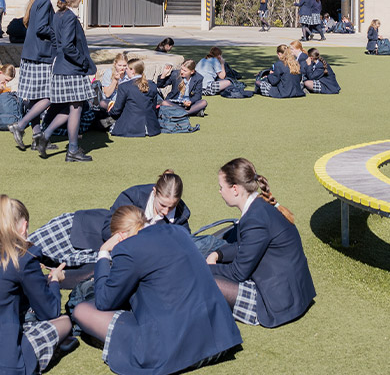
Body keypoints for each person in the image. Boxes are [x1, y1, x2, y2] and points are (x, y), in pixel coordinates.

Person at [72, 219, 242, 375]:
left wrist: (103, 253)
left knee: (82, 310)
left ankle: (115, 342)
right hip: (221, 339)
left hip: (174, 351)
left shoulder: (128, 248)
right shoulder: (177, 231)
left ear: (120, 236)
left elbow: (104, 302)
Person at [207, 157, 316, 328]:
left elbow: (238, 273)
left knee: (203, 277)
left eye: (221, 187)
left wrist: (207, 267)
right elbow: (245, 246)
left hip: (276, 302)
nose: (220, 191)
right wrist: (217, 254)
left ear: (235, 189)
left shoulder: (255, 218)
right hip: (292, 292)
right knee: (209, 270)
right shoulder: (261, 204)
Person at [29, 171, 191, 269]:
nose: (166, 211)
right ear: (154, 192)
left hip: (98, 257)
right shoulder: (133, 195)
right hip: (79, 229)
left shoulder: (181, 217)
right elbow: (108, 229)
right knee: (21, 250)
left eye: (172, 206)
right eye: (163, 205)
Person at [0, 194, 73, 375]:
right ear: (24, 226)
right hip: (7, 361)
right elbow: (50, 311)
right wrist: (54, 280)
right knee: (64, 321)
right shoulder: (23, 257)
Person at [36, 0, 96, 162]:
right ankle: (73, 150)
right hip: (72, 69)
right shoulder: (69, 16)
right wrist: (84, 61)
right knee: (75, 109)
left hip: (61, 67)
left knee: (69, 108)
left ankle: (46, 136)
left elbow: (56, 42)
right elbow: (68, 46)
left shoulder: (58, 15)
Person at [9, 0, 59, 152]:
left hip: (32, 54)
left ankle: (37, 136)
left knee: (35, 98)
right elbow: (41, 28)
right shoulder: (44, 1)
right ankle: (20, 125)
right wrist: (58, 32)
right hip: (40, 56)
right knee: (49, 96)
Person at [108, 58, 160, 137]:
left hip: (130, 128)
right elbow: (153, 107)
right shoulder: (152, 85)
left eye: (127, 69)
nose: (126, 71)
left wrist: (110, 110)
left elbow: (116, 110)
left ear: (132, 70)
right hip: (151, 127)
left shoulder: (124, 86)